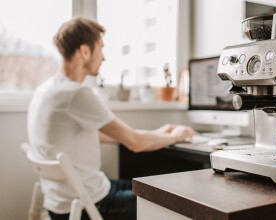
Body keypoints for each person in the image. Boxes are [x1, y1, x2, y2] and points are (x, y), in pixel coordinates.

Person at [27, 17, 197, 220]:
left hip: (61, 203)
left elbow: (103, 136)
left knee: (146, 186)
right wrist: (176, 136)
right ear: (85, 51)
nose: (104, 58)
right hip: (90, 206)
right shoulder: (76, 94)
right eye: (101, 48)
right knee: (174, 204)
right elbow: (134, 143)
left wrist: (159, 133)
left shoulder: (47, 90)